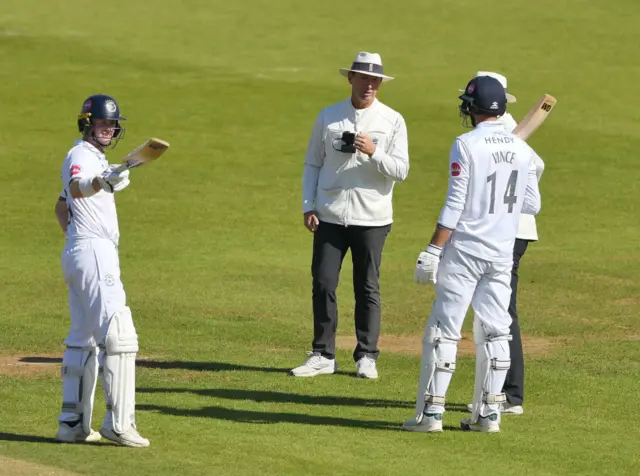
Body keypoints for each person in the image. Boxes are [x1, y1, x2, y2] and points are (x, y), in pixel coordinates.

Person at [402, 75, 541, 433]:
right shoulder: (523, 151)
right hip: (501, 253)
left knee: (444, 330)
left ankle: (432, 415)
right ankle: (489, 416)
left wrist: (433, 249)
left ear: (472, 108)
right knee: (496, 331)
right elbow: (532, 204)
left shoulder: (465, 144)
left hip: (464, 250)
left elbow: (454, 204)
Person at [291, 52, 409, 379]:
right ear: (351, 79)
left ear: (380, 84)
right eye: (363, 78)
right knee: (323, 283)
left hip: (372, 218)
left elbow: (401, 171)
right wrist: (308, 204)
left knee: (366, 287)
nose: (369, 85)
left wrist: (375, 152)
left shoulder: (392, 120)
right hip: (329, 214)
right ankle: (322, 354)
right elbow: (313, 163)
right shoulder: (328, 116)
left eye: (375, 80)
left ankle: (367, 355)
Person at [54, 94, 150, 447]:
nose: (108, 129)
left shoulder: (94, 159)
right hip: (94, 251)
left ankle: (73, 423)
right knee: (119, 335)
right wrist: (99, 184)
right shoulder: (81, 155)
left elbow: (61, 206)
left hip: (81, 251)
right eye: (102, 123)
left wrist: (77, 240)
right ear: (86, 123)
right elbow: (78, 189)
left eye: (112, 124)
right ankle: (119, 424)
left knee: (83, 338)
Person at [461, 72, 545, 415]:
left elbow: (535, 166)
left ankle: (508, 395)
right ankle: (499, 392)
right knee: (494, 309)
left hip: (509, 229)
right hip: (502, 229)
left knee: (500, 310)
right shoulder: (495, 129)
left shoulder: (506, 127)